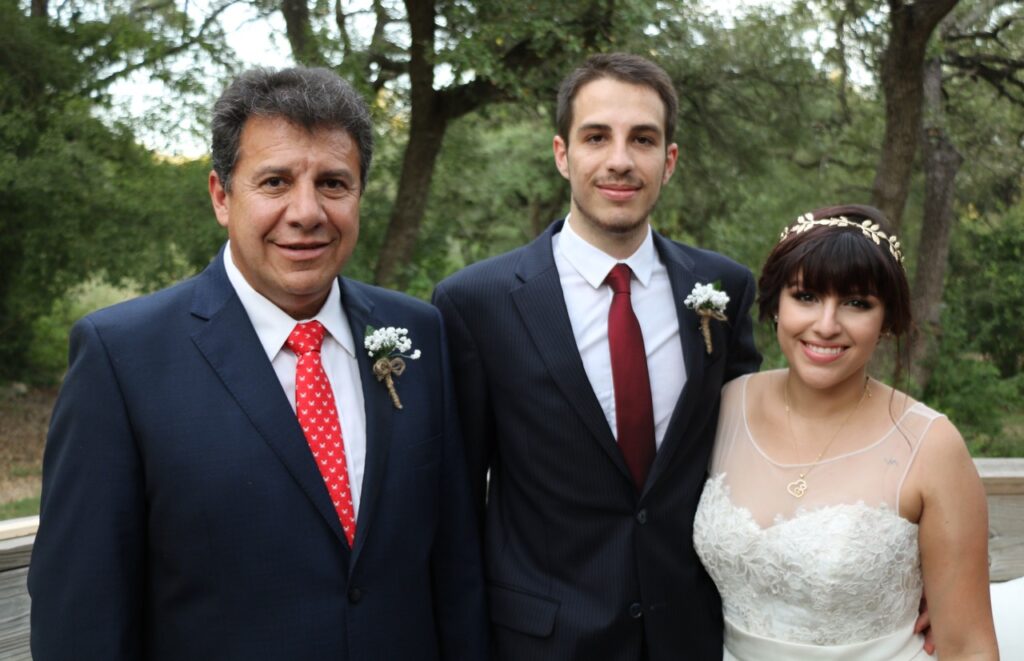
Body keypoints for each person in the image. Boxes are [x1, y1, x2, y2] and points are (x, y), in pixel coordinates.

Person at [28, 67, 487, 660]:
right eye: (274, 182)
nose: (306, 212)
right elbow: (80, 619)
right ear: (222, 196)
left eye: (333, 183)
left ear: (359, 195)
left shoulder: (419, 335)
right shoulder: (122, 358)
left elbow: (455, 573)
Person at [432, 53, 761, 660]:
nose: (619, 160)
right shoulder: (475, 303)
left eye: (642, 139)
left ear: (669, 160)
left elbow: (758, 456)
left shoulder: (722, 290)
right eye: (596, 137)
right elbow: (452, 503)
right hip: (540, 642)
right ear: (562, 154)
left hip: (689, 636)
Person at [693, 204, 999, 659]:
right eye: (807, 296)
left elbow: (968, 646)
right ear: (776, 304)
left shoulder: (932, 445)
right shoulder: (722, 406)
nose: (827, 325)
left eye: (857, 303)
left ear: (888, 320)